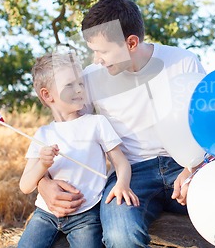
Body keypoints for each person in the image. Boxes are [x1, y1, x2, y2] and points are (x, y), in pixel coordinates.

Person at [37, 0, 215, 247]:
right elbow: (64, 132)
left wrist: (195, 169)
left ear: (131, 43)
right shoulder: (91, 77)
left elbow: (211, 127)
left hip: (187, 165)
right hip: (132, 173)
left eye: (102, 52)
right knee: (121, 236)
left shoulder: (183, 62)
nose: (96, 60)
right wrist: (43, 182)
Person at [18, 52, 139, 248]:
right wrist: (42, 164)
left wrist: (122, 184)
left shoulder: (96, 123)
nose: (79, 90)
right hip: (46, 214)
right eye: (69, 85)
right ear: (47, 95)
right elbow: (25, 186)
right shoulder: (43, 134)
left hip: (86, 215)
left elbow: (121, 162)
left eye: (81, 84)